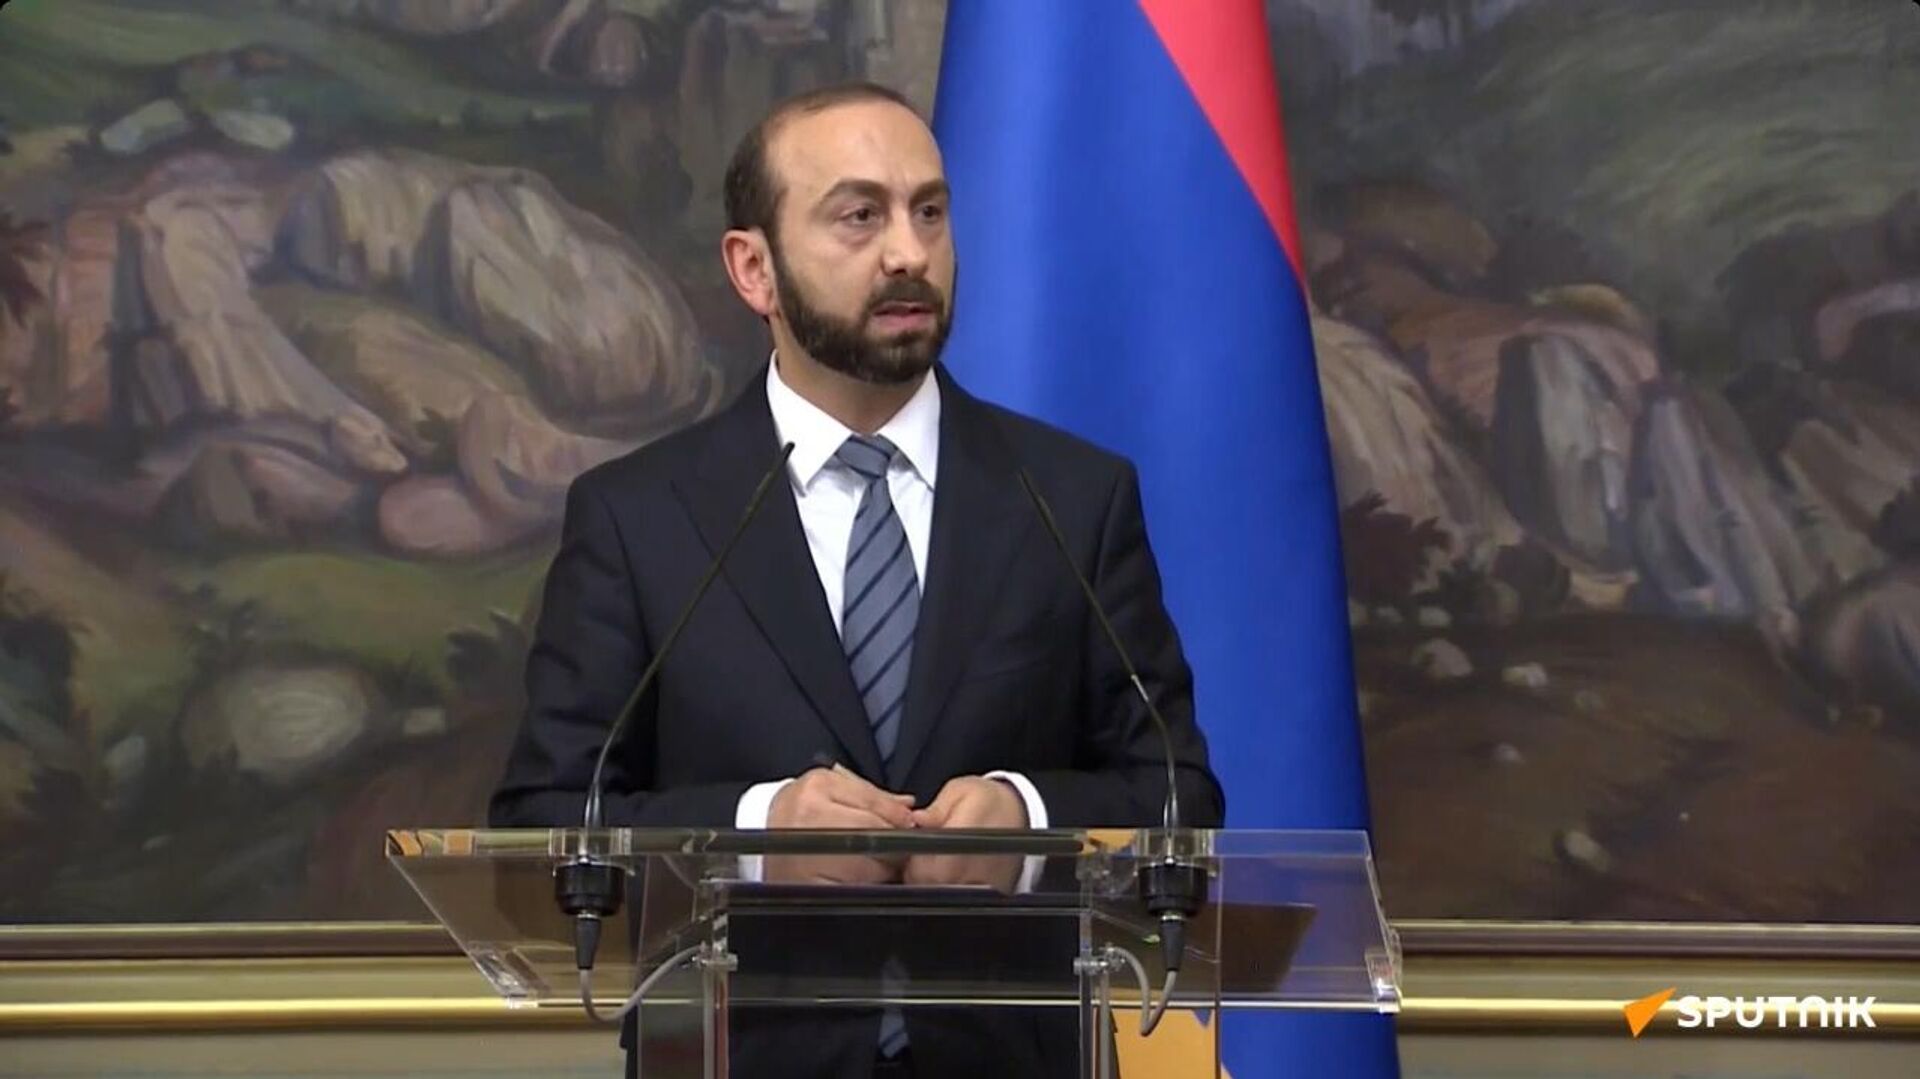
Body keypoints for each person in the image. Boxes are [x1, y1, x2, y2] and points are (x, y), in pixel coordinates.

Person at [489, 81, 1223, 1079]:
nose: (909, 252)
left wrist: (1028, 823)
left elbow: (1180, 801)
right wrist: (753, 838)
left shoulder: (1071, 498)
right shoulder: (638, 516)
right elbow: (540, 831)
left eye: (930, 211)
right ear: (755, 268)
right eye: (860, 216)